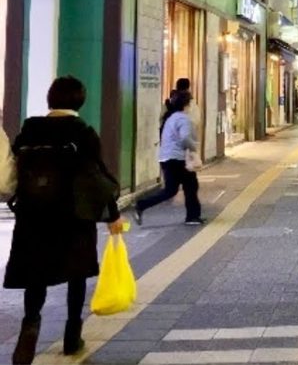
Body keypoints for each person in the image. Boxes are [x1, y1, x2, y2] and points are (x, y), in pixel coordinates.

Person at [5, 76, 124, 364]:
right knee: (76, 274)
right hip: (73, 215)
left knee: (36, 275)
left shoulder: (30, 129)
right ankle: (72, 334)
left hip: (34, 215)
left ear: (51, 99)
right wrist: (113, 215)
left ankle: (30, 325)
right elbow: (97, 177)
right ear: (79, 101)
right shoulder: (82, 132)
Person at [134, 91, 204, 227]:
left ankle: (141, 205)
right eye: (192, 102)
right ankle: (192, 216)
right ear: (187, 104)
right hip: (178, 159)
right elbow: (185, 138)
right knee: (190, 186)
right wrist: (194, 153)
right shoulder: (184, 119)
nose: (193, 105)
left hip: (166, 158)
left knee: (170, 190)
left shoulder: (171, 118)